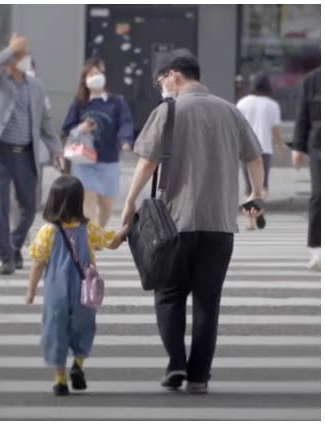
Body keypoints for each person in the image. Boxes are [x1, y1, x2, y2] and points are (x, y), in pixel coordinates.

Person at [118, 49, 265, 395]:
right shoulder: (230, 111)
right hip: (219, 225)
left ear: (173, 75)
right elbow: (255, 158)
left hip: (175, 225)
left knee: (168, 295)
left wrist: (128, 206)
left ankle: (176, 365)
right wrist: (255, 195)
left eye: (161, 79)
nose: (161, 86)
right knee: (207, 301)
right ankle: (199, 377)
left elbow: (146, 164)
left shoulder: (168, 111)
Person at [0, 33, 62, 275]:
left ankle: (14, 244)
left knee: (29, 206)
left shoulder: (36, 87)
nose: (24, 60)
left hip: (25, 153)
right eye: (19, 57)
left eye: (25, 56)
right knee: (0, 206)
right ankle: (6, 258)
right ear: (10, 60)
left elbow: (45, 122)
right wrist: (11, 50)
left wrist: (56, 150)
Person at [26, 176, 126, 396]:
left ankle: (60, 378)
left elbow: (38, 264)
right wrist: (127, 228)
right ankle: (78, 364)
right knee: (84, 325)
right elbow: (112, 242)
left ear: (53, 200)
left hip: (56, 290)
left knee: (56, 329)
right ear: (79, 200)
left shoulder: (47, 232)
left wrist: (31, 292)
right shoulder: (89, 229)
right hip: (84, 289)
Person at [61, 58, 135, 228]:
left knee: (106, 204)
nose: (96, 77)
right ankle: (90, 238)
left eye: (99, 73)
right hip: (84, 161)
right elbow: (67, 127)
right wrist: (81, 128)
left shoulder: (116, 102)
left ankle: (98, 233)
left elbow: (125, 123)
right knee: (88, 200)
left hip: (109, 159)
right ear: (85, 80)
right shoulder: (79, 103)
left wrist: (126, 141)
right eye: (92, 74)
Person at [236, 72, 283, 230]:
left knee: (248, 187)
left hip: (246, 148)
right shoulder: (272, 105)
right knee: (262, 187)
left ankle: (249, 221)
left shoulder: (242, 103)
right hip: (265, 149)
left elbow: (237, 128)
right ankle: (257, 211)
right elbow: (275, 129)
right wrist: (281, 146)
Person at [290, 67, 321, 270]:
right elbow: (302, 115)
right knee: (319, 195)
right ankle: (317, 247)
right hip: (319, 145)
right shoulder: (311, 80)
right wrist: (298, 148)